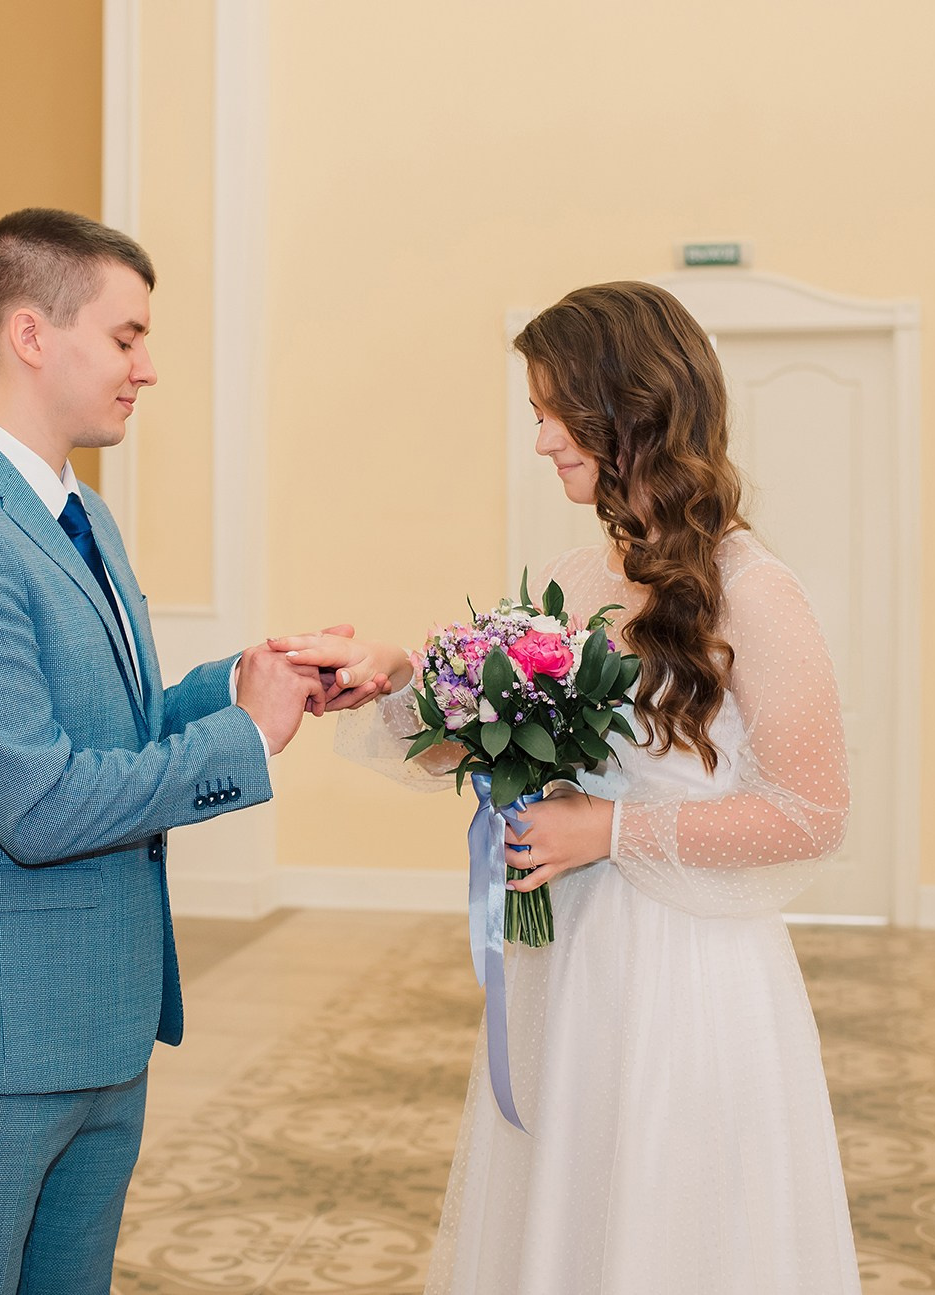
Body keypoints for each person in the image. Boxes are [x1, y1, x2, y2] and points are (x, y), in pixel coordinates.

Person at [279, 282, 860, 1293]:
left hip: (685, 976)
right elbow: (497, 744)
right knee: (569, 1217)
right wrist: (388, 675)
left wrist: (608, 830)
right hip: (573, 968)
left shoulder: (754, 591)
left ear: (627, 406)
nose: (540, 436)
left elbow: (813, 812)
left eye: (552, 408)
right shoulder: (574, 575)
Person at [0, 207, 349, 1295]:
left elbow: (105, 732)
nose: (147, 367)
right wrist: (244, 737)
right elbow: (39, 803)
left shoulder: (85, 515)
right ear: (31, 334)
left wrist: (251, 681)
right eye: (126, 337)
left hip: (93, 1025)